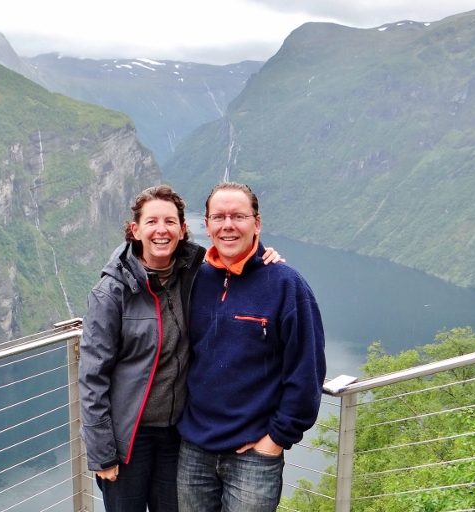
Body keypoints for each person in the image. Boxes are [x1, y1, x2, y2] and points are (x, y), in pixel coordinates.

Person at [79, 185, 282, 512]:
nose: (162, 230)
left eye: (170, 222)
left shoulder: (195, 272)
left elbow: (234, 257)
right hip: (128, 440)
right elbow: (92, 379)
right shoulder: (111, 292)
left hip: (178, 436)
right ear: (136, 230)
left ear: (183, 229)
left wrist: (261, 256)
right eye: (152, 222)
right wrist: (101, 453)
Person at [177, 182, 327, 512]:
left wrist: (275, 440)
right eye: (218, 216)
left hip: (254, 456)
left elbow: (307, 370)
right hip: (193, 450)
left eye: (238, 216)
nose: (227, 225)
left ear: (256, 223)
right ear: (206, 225)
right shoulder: (194, 281)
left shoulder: (286, 285)